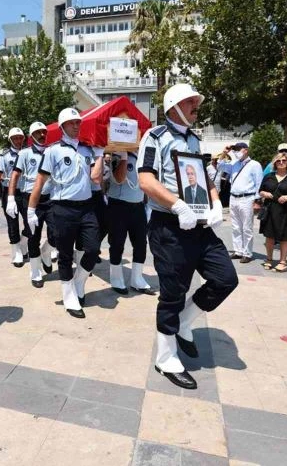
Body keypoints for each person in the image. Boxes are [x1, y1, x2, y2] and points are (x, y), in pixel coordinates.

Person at [137, 83, 235, 390]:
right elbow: (145, 179)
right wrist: (177, 205)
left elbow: (204, 177)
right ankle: (166, 358)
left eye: (196, 101)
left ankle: (184, 321)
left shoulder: (194, 139)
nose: (196, 106)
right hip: (169, 225)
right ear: (174, 106)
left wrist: (216, 203)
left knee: (225, 279)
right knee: (172, 293)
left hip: (200, 224)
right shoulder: (155, 137)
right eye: (191, 101)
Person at [27, 108, 103, 319]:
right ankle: (69, 295)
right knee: (65, 254)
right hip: (63, 208)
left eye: (78, 122)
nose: (76, 126)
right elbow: (40, 181)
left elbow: (96, 178)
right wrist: (31, 209)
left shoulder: (87, 150)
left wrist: (99, 155)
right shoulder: (53, 151)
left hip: (86, 207)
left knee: (92, 249)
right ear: (62, 127)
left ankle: (79, 281)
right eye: (71, 123)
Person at [8, 122, 56, 288]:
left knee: (57, 232)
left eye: (44, 132)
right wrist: (11, 197)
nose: (42, 135)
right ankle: (35, 272)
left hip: (50, 198)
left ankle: (46, 252)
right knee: (33, 235)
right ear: (31, 136)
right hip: (30, 199)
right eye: (38, 133)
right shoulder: (24, 153)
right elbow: (15, 175)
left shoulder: (51, 151)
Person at [106, 148, 153, 295]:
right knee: (117, 243)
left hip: (138, 206)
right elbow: (119, 179)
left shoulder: (143, 157)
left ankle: (137, 279)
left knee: (141, 243)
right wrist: (124, 156)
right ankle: (116, 279)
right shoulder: (117, 154)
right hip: (118, 205)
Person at [218, 142, 263, 263]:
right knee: (236, 227)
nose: (236, 152)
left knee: (247, 228)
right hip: (233, 197)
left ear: (246, 150)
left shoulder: (255, 165)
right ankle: (238, 251)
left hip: (247, 198)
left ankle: (247, 253)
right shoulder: (234, 163)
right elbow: (220, 166)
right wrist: (224, 153)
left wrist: (257, 201)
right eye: (235, 150)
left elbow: (259, 183)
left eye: (238, 149)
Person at [258, 152, 287, 272]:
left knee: (284, 238)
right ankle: (269, 259)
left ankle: (283, 262)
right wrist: (265, 193)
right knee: (269, 237)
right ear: (275, 163)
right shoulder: (268, 176)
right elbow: (260, 191)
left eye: (284, 160)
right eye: (278, 161)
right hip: (270, 210)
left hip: (286, 211)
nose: (281, 162)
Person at [0, 128, 28, 266]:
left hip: (25, 191)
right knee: (12, 222)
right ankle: (16, 251)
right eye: (15, 138)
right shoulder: (4, 156)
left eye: (20, 138)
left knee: (31, 221)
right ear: (10, 140)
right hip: (9, 192)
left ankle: (23, 242)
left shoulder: (28, 153)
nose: (18, 140)